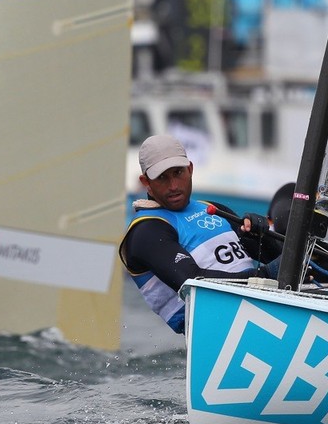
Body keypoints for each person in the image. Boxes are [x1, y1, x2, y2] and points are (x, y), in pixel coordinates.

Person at [119, 134, 281, 333]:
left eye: (178, 173)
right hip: (216, 330)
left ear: (190, 169)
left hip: (263, 312)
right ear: (146, 182)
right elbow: (194, 282)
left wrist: (261, 233)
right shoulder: (146, 231)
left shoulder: (212, 208)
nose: (173, 186)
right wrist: (266, 275)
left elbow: (274, 257)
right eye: (162, 178)